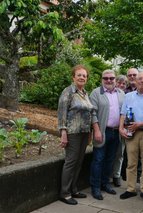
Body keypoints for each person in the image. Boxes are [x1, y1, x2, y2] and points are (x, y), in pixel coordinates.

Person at [57, 65, 94, 205]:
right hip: (72, 133)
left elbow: (89, 113)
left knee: (79, 162)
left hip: (84, 132)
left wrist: (90, 132)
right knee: (71, 162)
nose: (82, 77)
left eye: (84, 76)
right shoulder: (68, 92)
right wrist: (63, 133)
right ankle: (65, 193)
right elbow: (61, 114)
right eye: (79, 75)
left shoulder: (85, 93)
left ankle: (73, 189)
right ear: (73, 77)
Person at [119, 72, 143, 202]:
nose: (141, 81)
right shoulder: (128, 96)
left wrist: (139, 124)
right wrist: (120, 128)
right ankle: (130, 189)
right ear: (135, 80)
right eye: (139, 78)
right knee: (131, 162)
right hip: (131, 133)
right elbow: (123, 114)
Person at [89, 70, 125, 200]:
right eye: (106, 78)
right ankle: (95, 187)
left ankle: (105, 184)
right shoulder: (96, 93)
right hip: (102, 131)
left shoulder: (121, 93)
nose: (109, 80)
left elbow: (124, 112)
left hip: (116, 132)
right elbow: (92, 113)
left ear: (115, 79)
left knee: (110, 160)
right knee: (98, 159)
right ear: (102, 79)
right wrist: (97, 130)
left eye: (111, 78)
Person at [112, 74, 128, 187]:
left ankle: (116, 175)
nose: (121, 85)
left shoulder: (126, 96)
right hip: (110, 128)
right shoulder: (109, 94)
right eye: (119, 82)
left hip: (122, 129)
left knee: (120, 153)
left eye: (124, 83)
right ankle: (107, 175)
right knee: (108, 153)